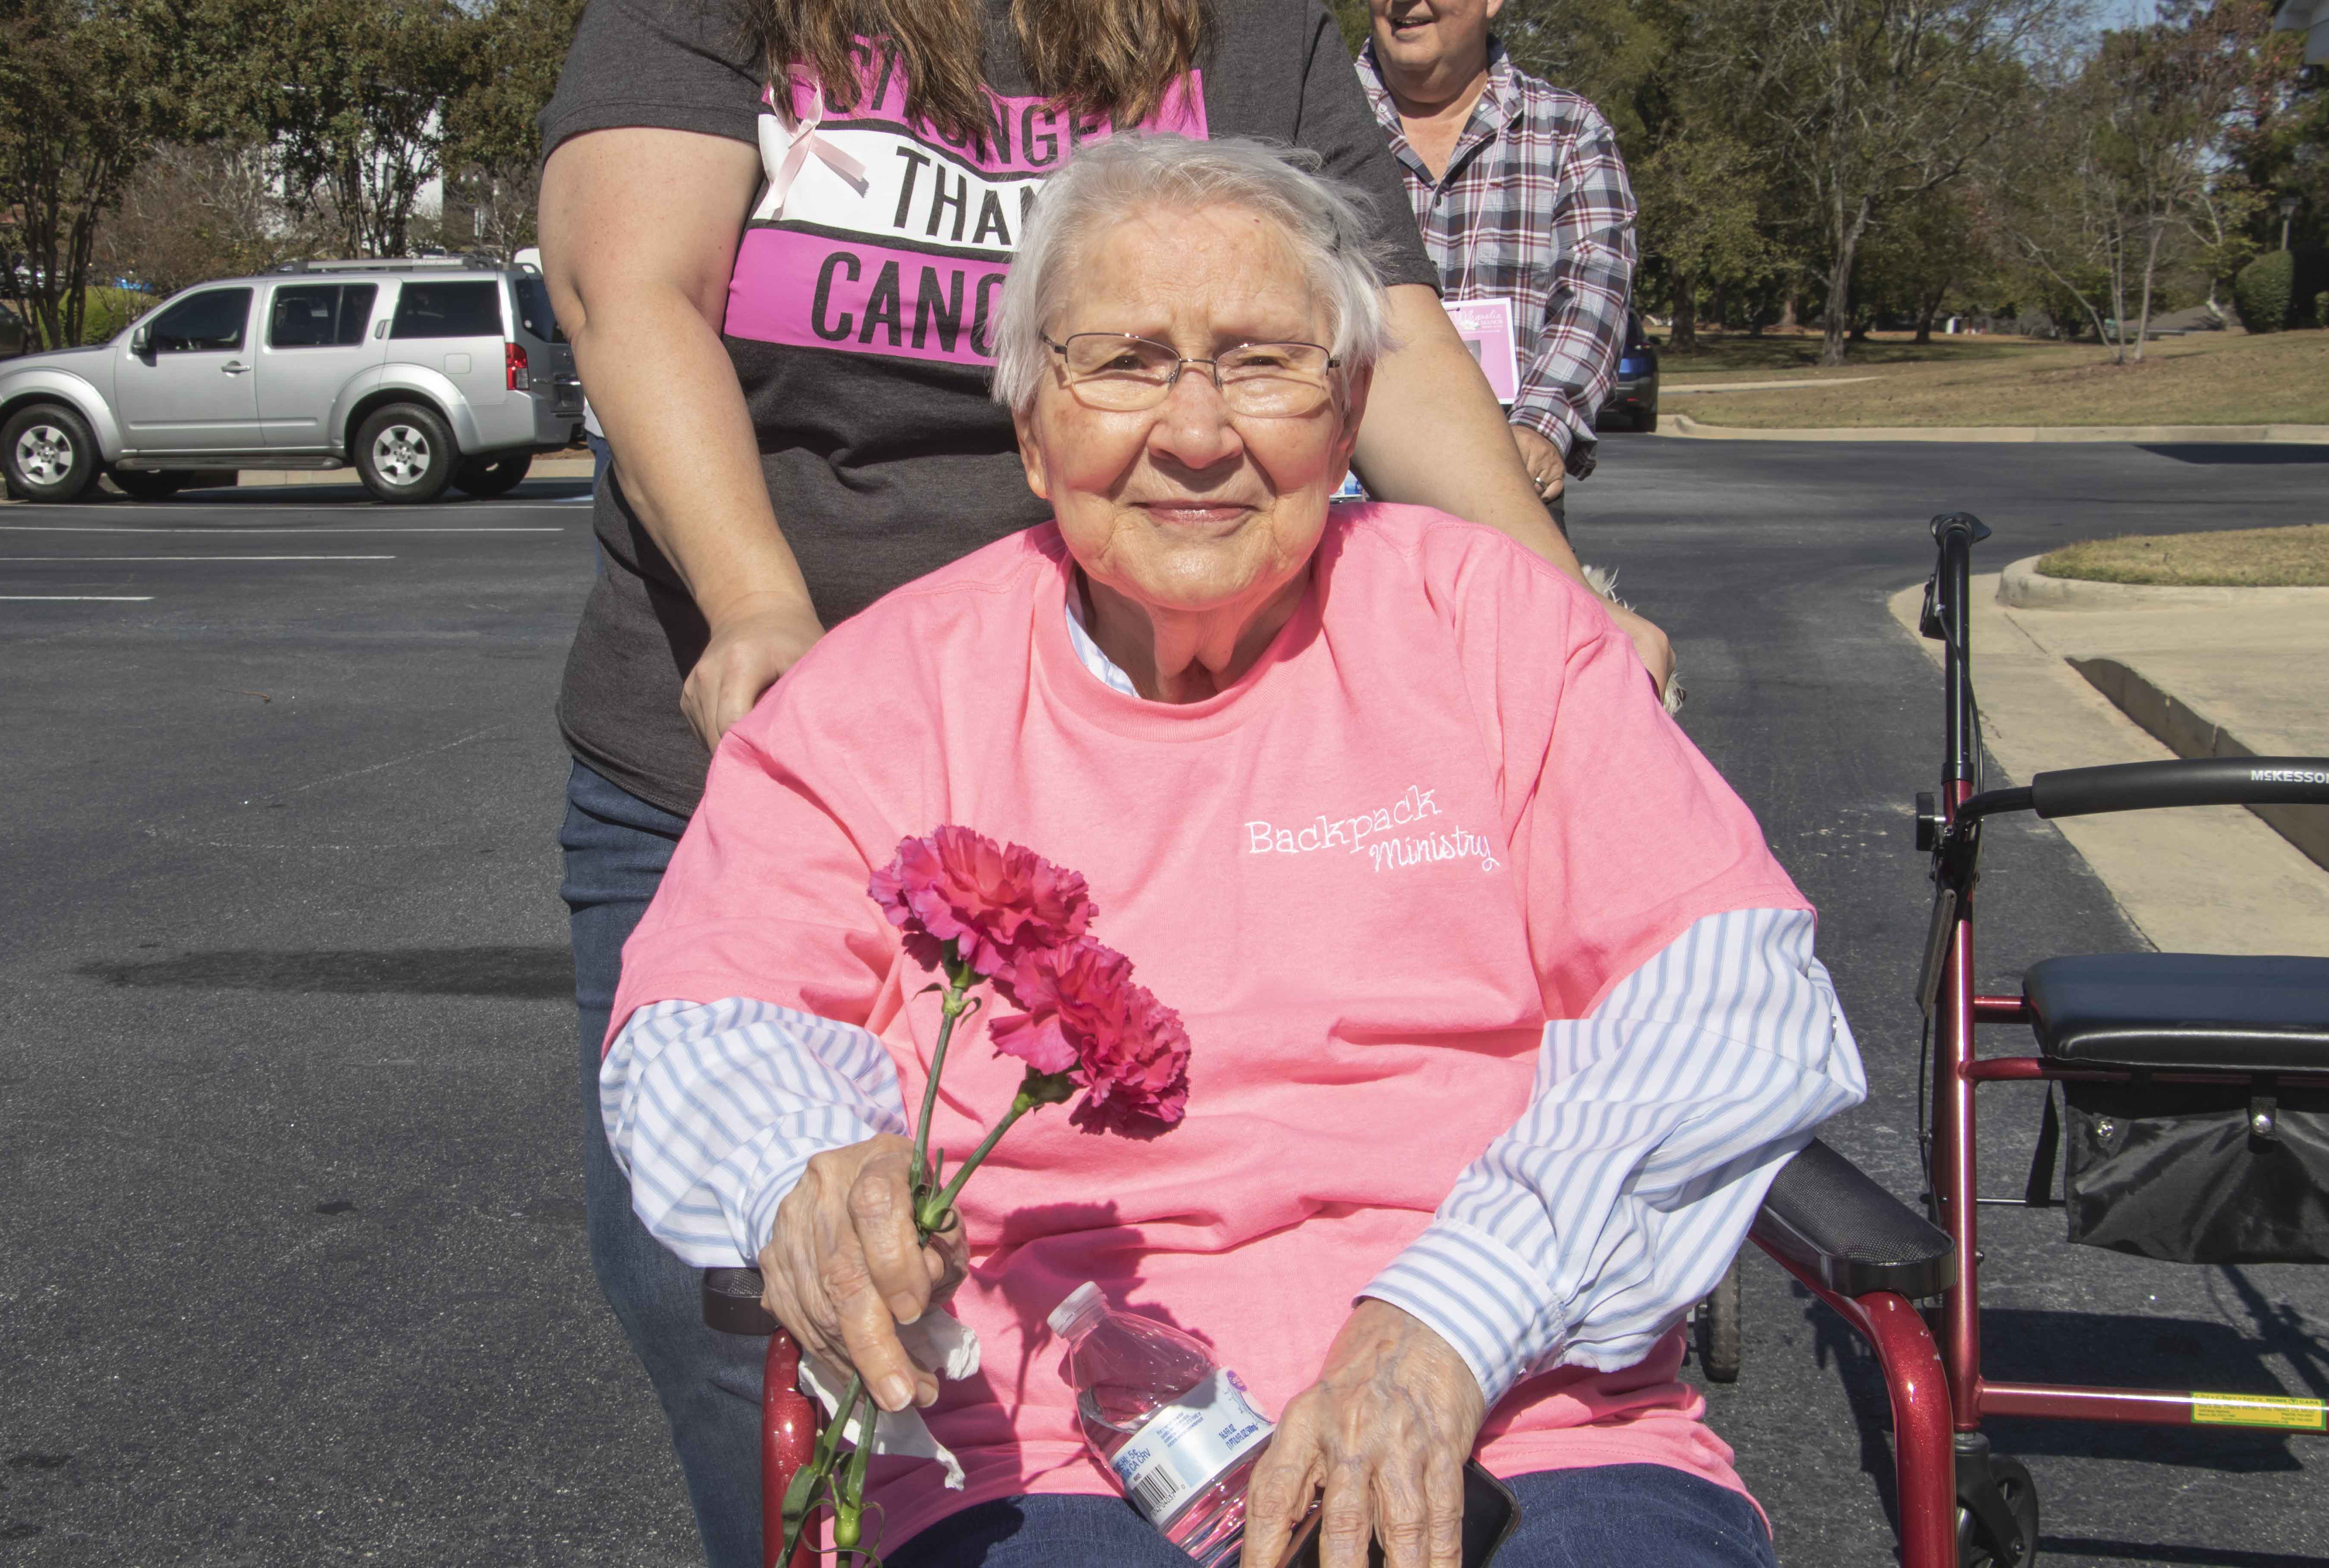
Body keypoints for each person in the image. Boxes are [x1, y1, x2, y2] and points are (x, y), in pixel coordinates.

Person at [600, 137, 1863, 1568]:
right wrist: (808, 1171)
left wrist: (1455, 1313)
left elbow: (1727, 999)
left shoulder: (1502, 633)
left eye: (1261, 362)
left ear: (1350, 411)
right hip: (1047, 1445)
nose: (1197, 433)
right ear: (1029, 425)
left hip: (1517, 1410)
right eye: (1125, 363)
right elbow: (709, 1015)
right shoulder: (874, 701)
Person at [1357, 0, 1638, 530]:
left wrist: (1538, 428)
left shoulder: (1569, 131)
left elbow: (1593, 292)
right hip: (1342, 500)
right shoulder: (1310, 126)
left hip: (1507, 487)